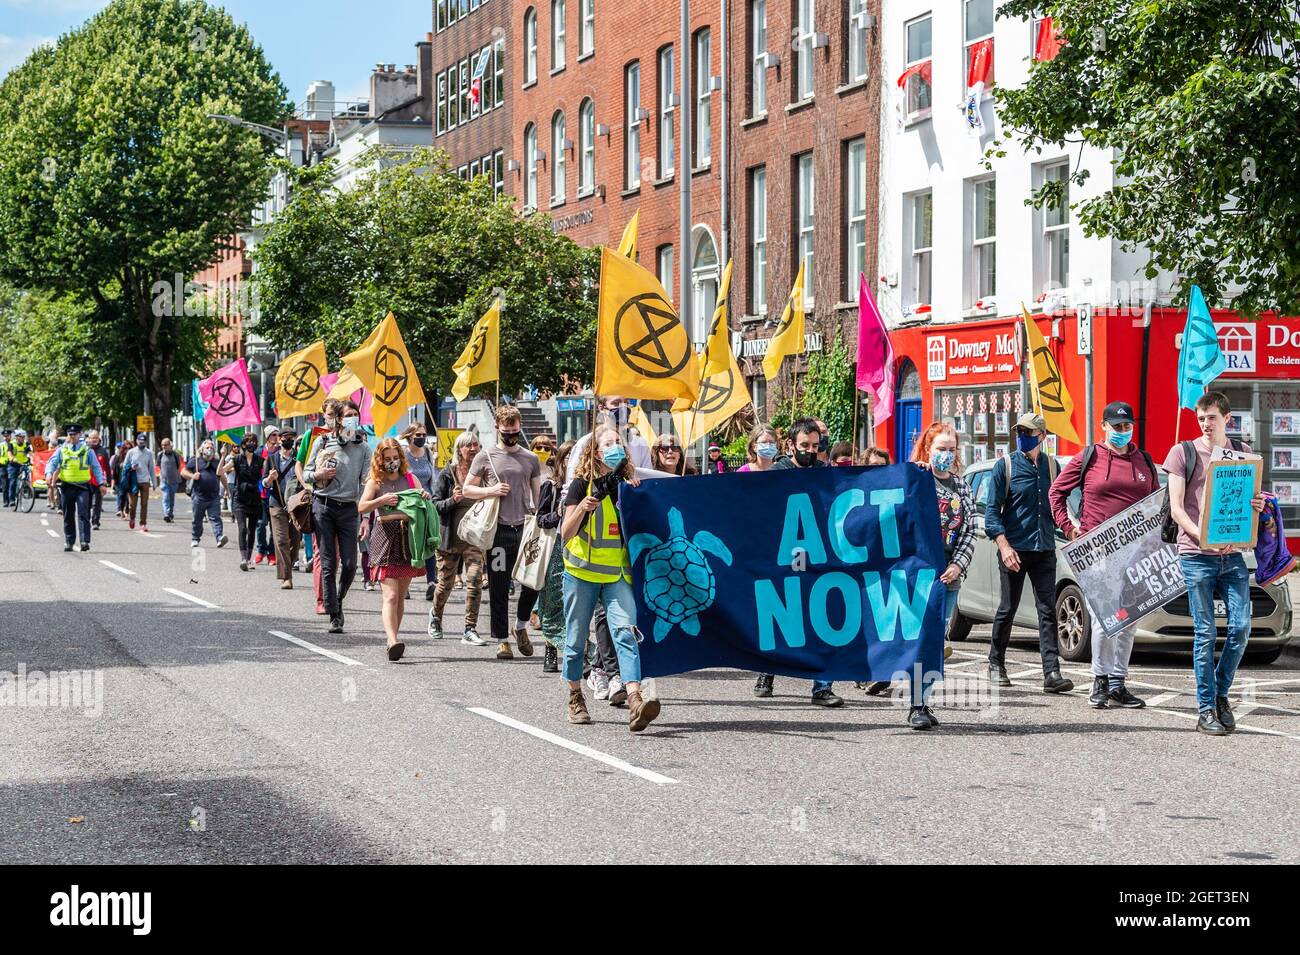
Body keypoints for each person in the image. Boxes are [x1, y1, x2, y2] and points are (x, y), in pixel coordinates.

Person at [1164, 391, 1266, 736]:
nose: (1206, 425)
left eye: (1212, 418)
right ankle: (1205, 708)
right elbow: (1177, 508)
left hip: (1232, 555)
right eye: (1201, 418)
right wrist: (1201, 537)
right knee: (1205, 632)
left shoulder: (1242, 454)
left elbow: (1250, 500)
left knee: (1240, 628)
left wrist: (1255, 507)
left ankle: (1221, 694)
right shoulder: (1183, 453)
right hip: (1195, 556)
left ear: (1227, 418)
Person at [1049, 401, 1160, 710]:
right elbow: (1055, 492)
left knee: (1129, 619)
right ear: (1103, 426)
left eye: (1127, 426)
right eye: (1117, 427)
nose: (1122, 431)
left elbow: (1155, 503)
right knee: (1103, 618)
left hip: (1136, 552)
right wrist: (1069, 529)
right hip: (1098, 550)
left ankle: (1118, 684)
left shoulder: (1144, 461)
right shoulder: (1089, 457)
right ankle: (1099, 680)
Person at [560, 424, 660, 731]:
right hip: (582, 572)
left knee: (626, 634)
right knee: (576, 639)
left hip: (617, 573)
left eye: (620, 442)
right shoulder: (581, 485)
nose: (616, 447)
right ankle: (576, 696)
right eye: (609, 443)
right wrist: (583, 509)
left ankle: (634, 699)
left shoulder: (628, 485)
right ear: (596, 451)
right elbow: (564, 533)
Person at [880, 423, 976, 729]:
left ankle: (921, 701)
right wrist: (912, 471)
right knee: (915, 637)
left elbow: (970, 529)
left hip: (949, 575)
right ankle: (914, 702)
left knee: (934, 640)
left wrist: (958, 565)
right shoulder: (917, 480)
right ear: (928, 450)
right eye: (940, 449)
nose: (946, 455)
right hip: (916, 575)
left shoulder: (963, 486)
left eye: (951, 450)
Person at [753, 418, 844, 707]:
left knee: (822, 617)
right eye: (805, 445)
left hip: (816, 553)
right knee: (783, 618)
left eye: (816, 446)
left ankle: (822, 686)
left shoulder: (824, 471)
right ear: (791, 445)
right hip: (784, 554)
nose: (810, 450)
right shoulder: (777, 472)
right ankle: (768, 671)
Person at [986, 412, 1073, 694]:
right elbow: (991, 513)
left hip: (1044, 548)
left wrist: (1071, 529)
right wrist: (1004, 546)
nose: (1022, 436)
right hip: (1014, 549)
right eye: (1019, 431)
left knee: (1047, 611)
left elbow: (1058, 506)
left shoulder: (1052, 466)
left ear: (1042, 436)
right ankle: (995, 663)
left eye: (1028, 432)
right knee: (1007, 608)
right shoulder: (1005, 466)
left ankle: (1052, 672)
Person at [463, 405, 542, 660]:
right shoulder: (485, 456)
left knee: (532, 581)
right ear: (497, 428)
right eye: (506, 431)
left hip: (525, 530)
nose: (511, 435)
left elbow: (538, 494)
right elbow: (467, 490)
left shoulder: (530, 458)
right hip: (497, 532)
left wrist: (543, 517)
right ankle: (502, 640)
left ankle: (520, 626)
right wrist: (490, 490)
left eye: (515, 430)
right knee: (498, 585)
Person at [357, 438, 433, 661]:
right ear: (380, 460)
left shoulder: (410, 478)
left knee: (400, 595)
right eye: (387, 458)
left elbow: (424, 502)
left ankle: (394, 637)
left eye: (395, 458)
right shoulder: (375, 481)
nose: (392, 462)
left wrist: (425, 497)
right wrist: (380, 500)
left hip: (408, 537)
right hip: (386, 535)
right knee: (389, 595)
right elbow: (361, 506)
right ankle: (392, 640)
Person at [305, 398, 372, 634]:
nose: (353, 418)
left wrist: (365, 516)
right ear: (338, 419)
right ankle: (334, 614)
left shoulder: (363, 447)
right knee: (328, 563)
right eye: (348, 414)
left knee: (351, 564)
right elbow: (307, 472)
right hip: (323, 507)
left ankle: (339, 599)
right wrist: (319, 473)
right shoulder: (322, 441)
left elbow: (366, 483)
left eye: (356, 414)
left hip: (349, 510)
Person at [428, 429, 488, 644]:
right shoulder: (447, 473)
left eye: (476, 445)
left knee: (474, 581)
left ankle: (469, 628)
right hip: (449, 540)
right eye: (468, 446)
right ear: (459, 450)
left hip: (473, 540)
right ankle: (435, 616)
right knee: (445, 584)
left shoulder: (484, 473)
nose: (473, 449)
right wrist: (452, 500)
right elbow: (435, 505)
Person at [534, 441, 573, 672]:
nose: (572, 460)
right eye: (567, 456)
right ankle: (550, 649)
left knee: (572, 603)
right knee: (551, 601)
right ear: (560, 460)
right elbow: (541, 520)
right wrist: (558, 514)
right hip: (555, 547)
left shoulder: (586, 485)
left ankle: (572, 648)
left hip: (579, 546)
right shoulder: (551, 485)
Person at [565, 395, 652, 482]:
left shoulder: (640, 444)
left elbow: (648, 481)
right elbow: (570, 484)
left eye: (626, 402)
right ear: (602, 408)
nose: (623, 407)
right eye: (616, 403)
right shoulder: (586, 442)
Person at [44, 424, 104, 552]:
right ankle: (69, 541)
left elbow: (96, 467)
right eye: (70, 434)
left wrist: (101, 484)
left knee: (83, 513)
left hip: (83, 486)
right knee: (68, 515)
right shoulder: (62, 450)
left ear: (80, 435)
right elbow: (52, 463)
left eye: (75, 434)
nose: (72, 437)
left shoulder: (87, 450)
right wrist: (49, 474)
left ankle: (84, 541)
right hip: (67, 487)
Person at [263, 427, 302, 590]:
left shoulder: (298, 459)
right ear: (279, 439)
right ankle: (286, 577)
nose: (288, 440)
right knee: (281, 540)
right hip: (277, 503)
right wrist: (270, 479)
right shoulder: (271, 460)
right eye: (285, 437)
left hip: (295, 504)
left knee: (295, 540)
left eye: (291, 438)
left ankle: (290, 564)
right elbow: (263, 483)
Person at [402, 422, 438, 596]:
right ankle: (405, 582)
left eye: (424, 434)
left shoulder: (429, 453)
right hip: (408, 504)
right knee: (409, 542)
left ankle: (431, 582)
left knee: (429, 540)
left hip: (426, 503)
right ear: (409, 436)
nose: (422, 438)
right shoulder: (402, 455)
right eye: (418, 435)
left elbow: (433, 477)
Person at [223, 433, 265, 571]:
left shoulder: (260, 460)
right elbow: (220, 471)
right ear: (243, 445)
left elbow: (267, 474)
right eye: (249, 442)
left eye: (253, 441)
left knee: (252, 529)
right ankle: (243, 558)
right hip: (240, 497)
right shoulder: (237, 460)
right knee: (242, 528)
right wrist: (223, 456)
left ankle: (248, 557)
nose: (251, 444)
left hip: (254, 497)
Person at [182, 439, 229, 548]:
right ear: (202, 449)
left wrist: (227, 488)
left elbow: (221, 476)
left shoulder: (216, 462)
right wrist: (193, 476)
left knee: (215, 518)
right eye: (207, 448)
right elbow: (183, 472)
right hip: (199, 497)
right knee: (197, 519)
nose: (209, 450)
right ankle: (195, 538)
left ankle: (219, 537)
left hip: (214, 497)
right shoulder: (195, 461)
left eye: (211, 448)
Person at [254, 425, 279, 566]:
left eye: (277, 435)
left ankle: (272, 553)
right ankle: (261, 551)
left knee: (274, 525)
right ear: (268, 437)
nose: (277, 438)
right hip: (261, 493)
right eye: (274, 435)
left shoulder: (280, 452)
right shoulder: (259, 453)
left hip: (275, 494)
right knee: (261, 523)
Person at [123, 432, 156, 532]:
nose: (141, 443)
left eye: (143, 441)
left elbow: (151, 468)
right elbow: (125, 465)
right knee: (133, 504)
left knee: (144, 503)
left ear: (145, 442)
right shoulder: (131, 452)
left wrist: (154, 482)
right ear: (136, 441)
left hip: (145, 481)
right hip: (133, 481)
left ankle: (143, 523)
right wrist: (131, 467)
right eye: (139, 441)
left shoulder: (149, 453)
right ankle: (132, 518)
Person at [86, 430, 113, 530]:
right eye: (92, 438)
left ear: (99, 439)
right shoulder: (85, 450)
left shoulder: (103, 451)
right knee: (87, 503)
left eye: (96, 438)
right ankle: (86, 520)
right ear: (89, 439)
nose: (94, 440)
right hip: (86, 481)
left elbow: (107, 467)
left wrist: (109, 480)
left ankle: (95, 522)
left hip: (99, 482)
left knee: (97, 503)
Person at [4, 428, 33, 507]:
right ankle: (12, 500)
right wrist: (13, 459)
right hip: (13, 465)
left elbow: (30, 454)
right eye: (21, 437)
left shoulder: (26, 444)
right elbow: (10, 455)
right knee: (13, 482)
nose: (23, 438)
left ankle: (27, 488)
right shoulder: (11, 444)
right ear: (17, 437)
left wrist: (33, 460)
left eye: (24, 437)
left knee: (27, 478)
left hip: (24, 464)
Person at [157, 437, 181, 524]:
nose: (164, 446)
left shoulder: (175, 455)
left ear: (170, 445)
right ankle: (166, 514)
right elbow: (158, 465)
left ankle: (170, 513)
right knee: (165, 497)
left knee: (171, 498)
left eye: (165, 445)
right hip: (164, 480)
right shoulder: (160, 455)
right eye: (162, 445)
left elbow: (178, 466)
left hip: (174, 480)